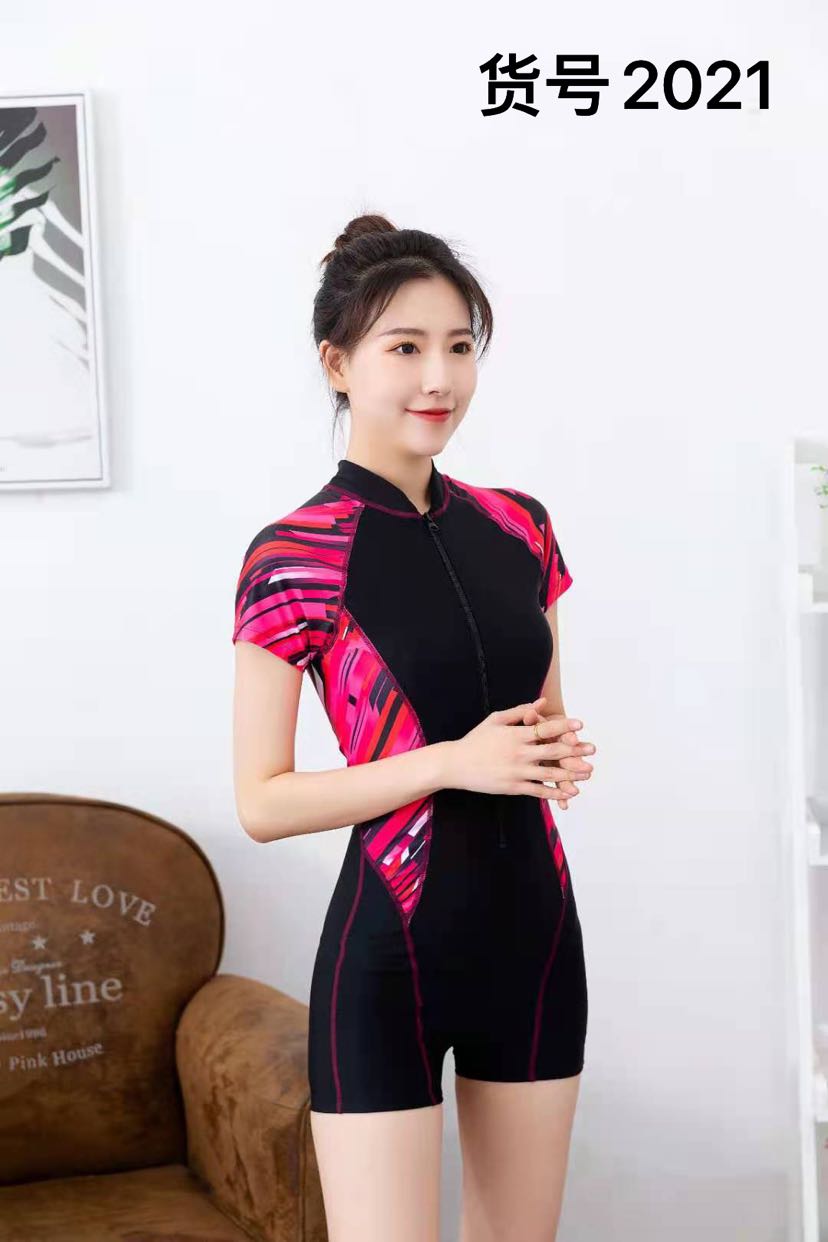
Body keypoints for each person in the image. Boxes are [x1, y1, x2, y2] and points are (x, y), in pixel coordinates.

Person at [231, 214, 596, 1242]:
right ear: (337, 364)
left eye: (459, 346)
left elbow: (540, 719)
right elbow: (262, 802)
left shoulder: (520, 525)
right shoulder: (294, 555)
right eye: (404, 347)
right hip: (389, 958)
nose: (439, 377)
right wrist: (451, 761)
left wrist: (553, 754)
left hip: (535, 939)